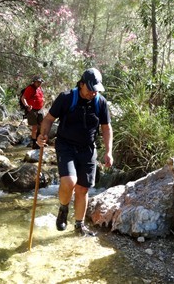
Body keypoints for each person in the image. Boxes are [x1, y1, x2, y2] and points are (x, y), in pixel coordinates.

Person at [37, 67, 113, 236]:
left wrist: (109, 151)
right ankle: (63, 208)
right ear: (81, 84)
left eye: (96, 90)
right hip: (66, 146)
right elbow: (49, 119)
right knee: (70, 182)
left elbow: (106, 128)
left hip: (88, 148)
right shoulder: (66, 98)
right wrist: (42, 136)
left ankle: (79, 226)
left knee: (83, 189)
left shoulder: (100, 102)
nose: (93, 93)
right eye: (90, 89)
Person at [21, 75, 44, 149]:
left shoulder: (39, 88)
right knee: (34, 127)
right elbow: (23, 98)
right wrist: (27, 105)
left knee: (42, 125)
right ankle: (34, 144)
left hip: (40, 109)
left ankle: (39, 141)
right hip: (32, 109)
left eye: (40, 82)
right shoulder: (29, 88)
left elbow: (41, 97)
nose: (39, 83)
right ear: (34, 82)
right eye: (38, 82)